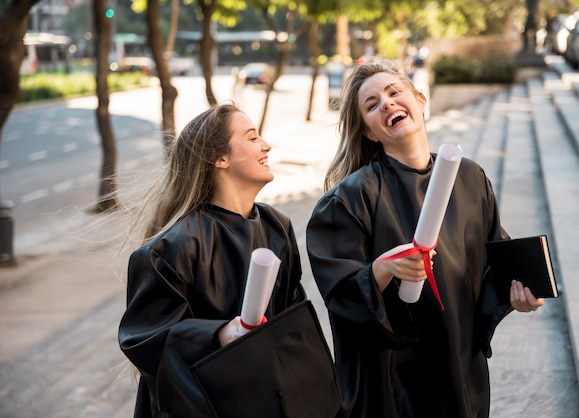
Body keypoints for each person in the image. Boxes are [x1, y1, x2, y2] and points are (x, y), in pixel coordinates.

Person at [306, 58, 544, 418]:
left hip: (461, 364)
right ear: (370, 132)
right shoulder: (349, 200)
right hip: (395, 381)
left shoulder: (469, 177)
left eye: (394, 92)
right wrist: (384, 270)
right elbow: (340, 296)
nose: (386, 103)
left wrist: (520, 294)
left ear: (420, 101)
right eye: (372, 105)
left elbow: (492, 264)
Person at [118, 103, 309, 416]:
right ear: (219, 158)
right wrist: (219, 334)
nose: (266, 145)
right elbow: (147, 342)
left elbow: (293, 323)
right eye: (251, 138)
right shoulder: (170, 248)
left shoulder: (278, 227)